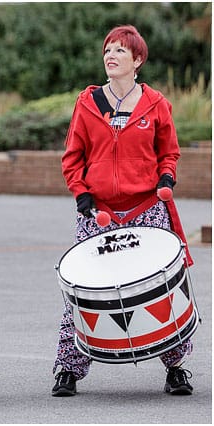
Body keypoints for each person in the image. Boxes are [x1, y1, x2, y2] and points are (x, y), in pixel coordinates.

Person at [52, 25, 195, 397]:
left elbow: (169, 152)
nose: (111, 56)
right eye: (107, 50)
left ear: (137, 60)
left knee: (161, 289)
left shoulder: (156, 104)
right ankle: (68, 369)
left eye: (119, 51)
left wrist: (166, 177)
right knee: (81, 291)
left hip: (147, 209)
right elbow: (73, 157)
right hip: (97, 213)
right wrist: (81, 194)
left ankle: (176, 367)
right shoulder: (87, 103)